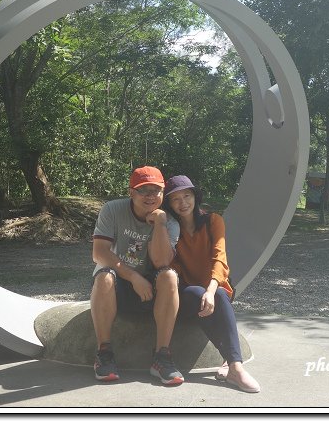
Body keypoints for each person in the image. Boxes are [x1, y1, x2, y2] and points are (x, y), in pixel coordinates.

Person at [163, 175, 261, 393]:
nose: (183, 203)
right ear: (169, 204)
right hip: (188, 290)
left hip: (215, 286)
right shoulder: (171, 229)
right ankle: (233, 365)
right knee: (198, 294)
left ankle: (235, 367)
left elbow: (220, 257)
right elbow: (172, 265)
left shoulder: (213, 221)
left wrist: (211, 289)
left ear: (195, 196)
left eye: (186, 196)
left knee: (216, 296)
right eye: (175, 199)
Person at [90, 165, 184, 385]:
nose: (151, 196)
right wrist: (133, 277)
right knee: (104, 276)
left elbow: (161, 262)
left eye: (156, 190)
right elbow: (99, 253)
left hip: (151, 289)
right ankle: (104, 353)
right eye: (144, 190)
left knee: (169, 276)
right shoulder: (112, 210)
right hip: (117, 282)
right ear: (131, 192)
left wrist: (160, 224)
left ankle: (162, 357)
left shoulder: (169, 222)